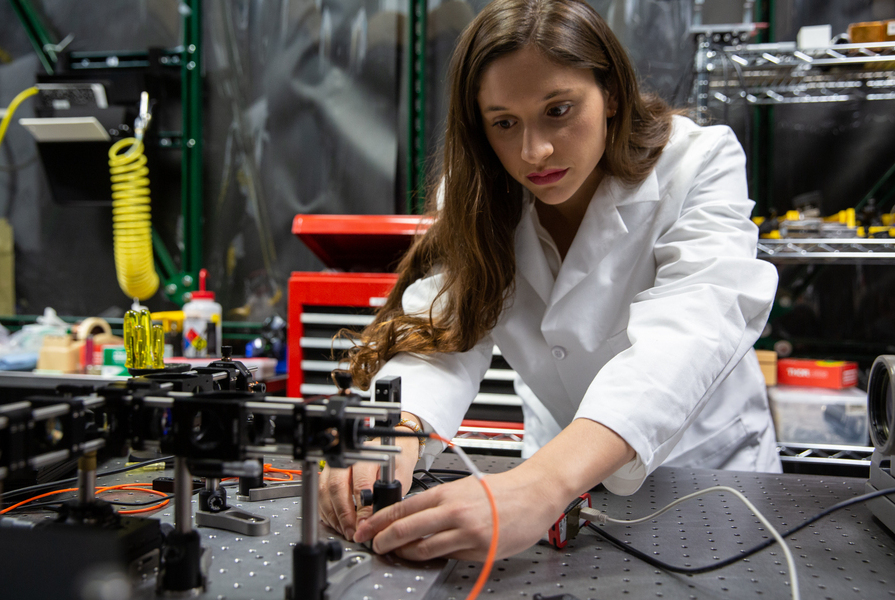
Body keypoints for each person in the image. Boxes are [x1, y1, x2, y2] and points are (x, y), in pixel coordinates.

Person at [317, 0, 780, 562]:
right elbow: (446, 332)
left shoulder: (697, 163)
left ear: (610, 94)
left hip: (703, 471)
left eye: (558, 110)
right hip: (549, 474)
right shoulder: (479, 197)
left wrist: (544, 483)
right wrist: (392, 432)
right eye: (504, 123)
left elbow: (691, 332)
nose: (533, 152)